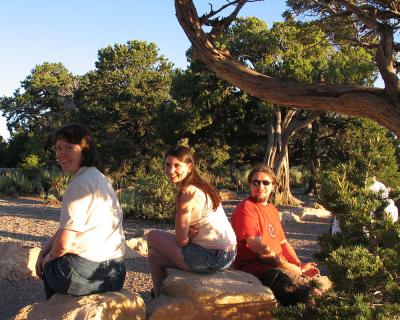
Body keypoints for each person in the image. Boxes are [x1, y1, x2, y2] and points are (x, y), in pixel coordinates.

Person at [35, 123, 126, 299]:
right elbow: (69, 227)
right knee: (50, 256)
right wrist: (44, 249)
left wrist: (48, 258)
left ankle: (55, 310)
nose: (61, 154)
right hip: (116, 272)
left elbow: (63, 244)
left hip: (89, 274)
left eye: (69, 148)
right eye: (58, 148)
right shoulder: (99, 178)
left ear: (85, 150)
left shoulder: (77, 185)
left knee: (50, 267)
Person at [147, 146, 237, 297]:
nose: (170, 170)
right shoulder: (203, 187)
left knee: (151, 236)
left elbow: (181, 241)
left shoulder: (188, 192)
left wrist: (187, 237)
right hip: (230, 255)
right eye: (168, 164)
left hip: (213, 258)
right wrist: (188, 234)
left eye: (177, 166)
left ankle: (161, 296)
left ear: (189, 167)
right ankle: (159, 296)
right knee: (153, 256)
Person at [231, 164, 322, 306]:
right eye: (256, 182)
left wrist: (299, 265)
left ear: (273, 186)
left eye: (265, 182)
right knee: (307, 297)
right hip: (258, 268)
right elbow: (261, 252)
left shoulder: (272, 209)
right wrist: (291, 268)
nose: (260, 186)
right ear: (249, 184)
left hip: (278, 265)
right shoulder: (246, 209)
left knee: (319, 292)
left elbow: (283, 243)